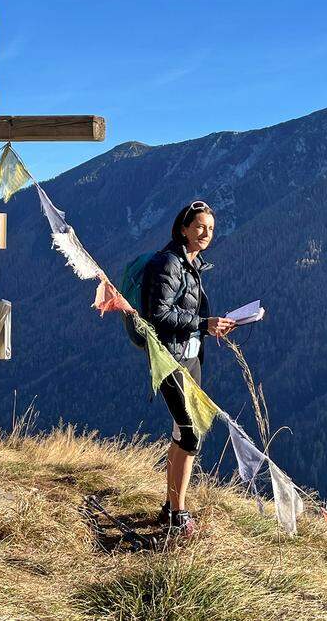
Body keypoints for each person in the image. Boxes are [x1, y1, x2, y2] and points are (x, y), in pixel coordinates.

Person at [140, 200, 236, 537]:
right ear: (183, 228)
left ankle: (172, 505)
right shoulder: (169, 264)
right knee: (190, 433)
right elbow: (157, 314)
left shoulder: (191, 264)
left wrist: (210, 326)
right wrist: (202, 323)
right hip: (170, 359)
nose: (206, 233)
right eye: (199, 227)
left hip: (191, 358)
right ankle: (177, 514)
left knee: (185, 431)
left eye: (210, 228)